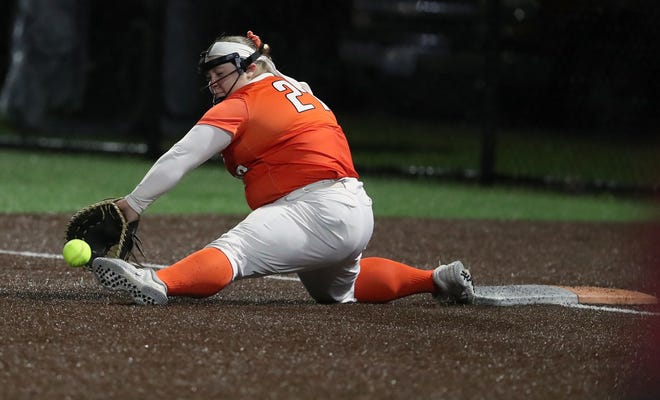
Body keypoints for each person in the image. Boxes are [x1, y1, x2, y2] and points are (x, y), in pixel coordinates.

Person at [91, 30, 475, 306]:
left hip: (313, 209)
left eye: (221, 72)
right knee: (341, 290)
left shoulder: (240, 104)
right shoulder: (297, 88)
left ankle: (158, 282)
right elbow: (286, 82)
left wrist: (134, 204)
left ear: (251, 68)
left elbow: (180, 157)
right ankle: (436, 279)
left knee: (235, 250)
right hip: (355, 208)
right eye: (210, 77)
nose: (215, 83)